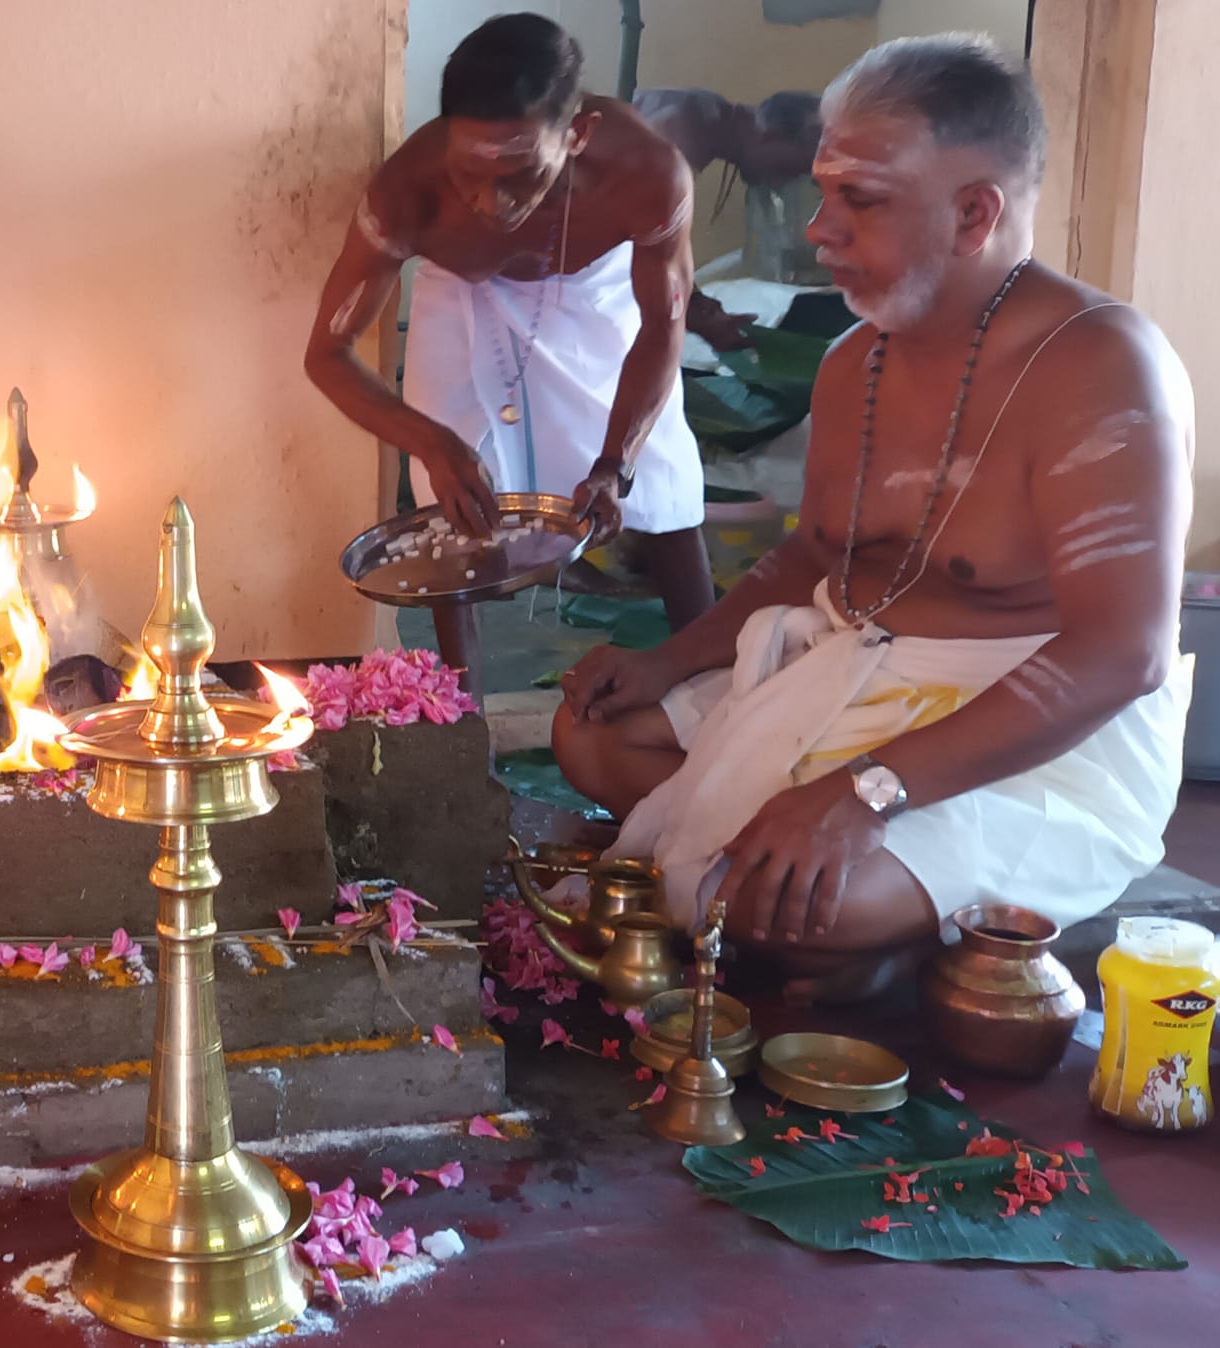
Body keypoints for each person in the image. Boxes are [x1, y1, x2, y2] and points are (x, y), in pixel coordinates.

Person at [551, 34, 1194, 1001]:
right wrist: (667, 660)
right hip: (845, 673)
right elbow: (814, 552)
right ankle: (875, 925)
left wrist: (865, 792)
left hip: (1028, 741)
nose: (819, 229)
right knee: (591, 735)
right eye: (824, 192)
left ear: (976, 213)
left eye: (862, 200)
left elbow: (1120, 656)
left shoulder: (1100, 366)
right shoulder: (860, 360)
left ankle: (866, 918)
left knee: (771, 899)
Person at [304, 12, 716, 640]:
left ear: (578, 133)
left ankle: (711, 666)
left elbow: (662, 327)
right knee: (454, 501)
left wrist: (614, 465)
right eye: (470, 175)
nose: (493, 203)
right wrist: (432, 443)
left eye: (521, 175)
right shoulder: (405, 195)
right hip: (460, 289)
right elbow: (326, 353)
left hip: (592, 286)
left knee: (660, 475)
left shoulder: (649, 176)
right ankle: (460, 714)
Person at [632, 88, 824, 350]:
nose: (783, 180)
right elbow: (642, 247)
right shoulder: (680, 133)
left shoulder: (703, 109)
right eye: (796, 168)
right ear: (771, 136)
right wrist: (699, 315)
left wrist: (698, 304)